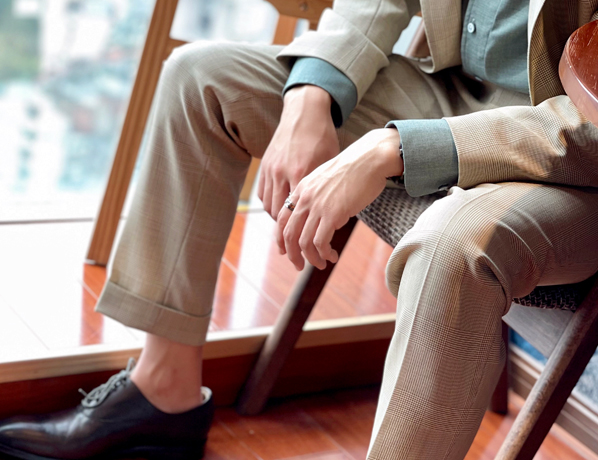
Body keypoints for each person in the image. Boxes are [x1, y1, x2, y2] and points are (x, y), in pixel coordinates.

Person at [2, 0, 598, 458]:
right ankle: (164, 389)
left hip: (565, 157)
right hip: (449, 93)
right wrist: (312, 93)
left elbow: (587, 123)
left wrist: (392, 148)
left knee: (454, 242)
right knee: (203, 77)